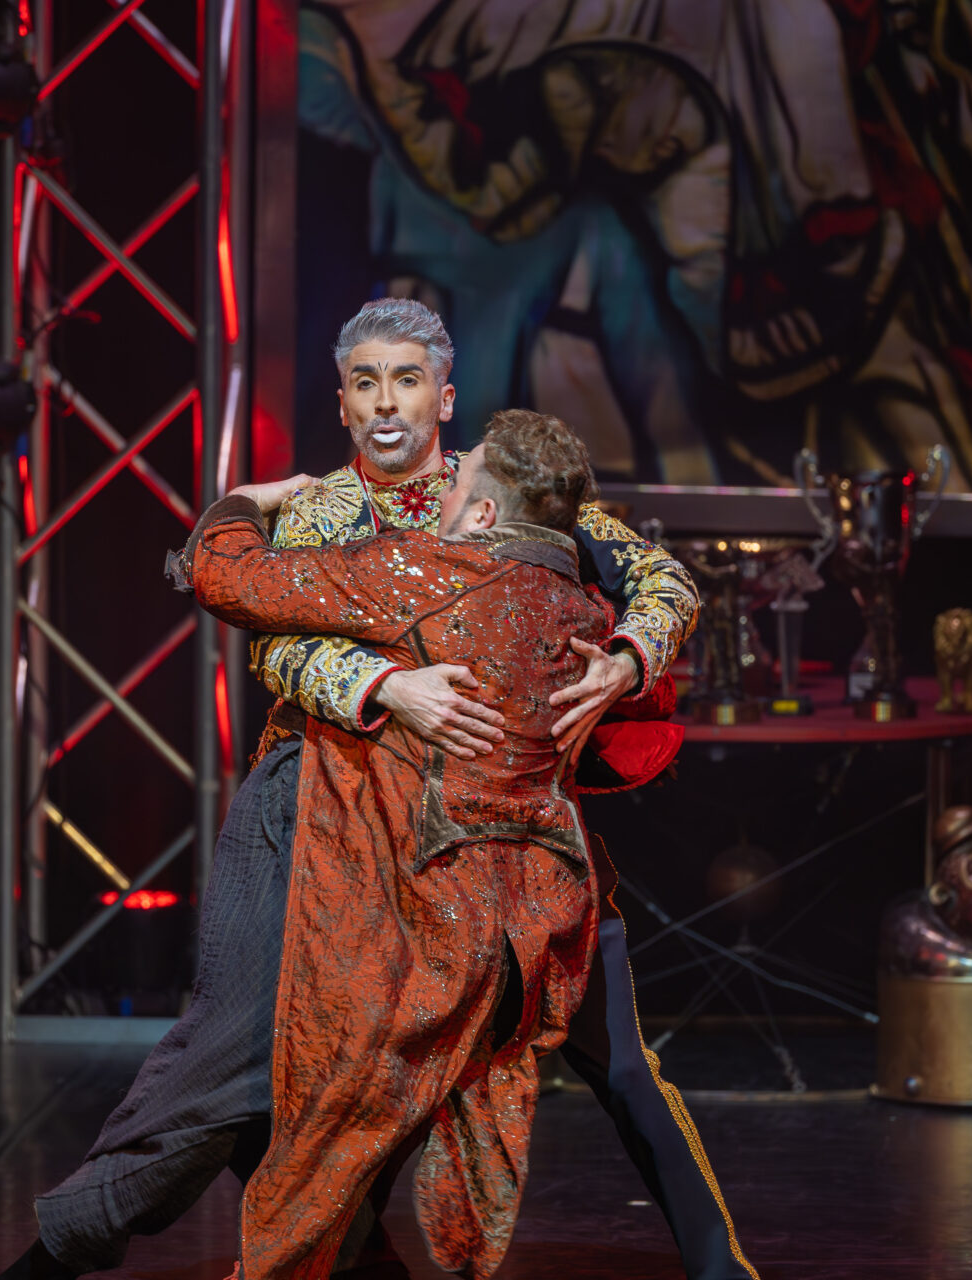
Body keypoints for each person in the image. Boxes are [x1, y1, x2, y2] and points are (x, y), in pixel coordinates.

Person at [7, 299, 754, 1280]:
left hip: (499, 820)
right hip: (336, 798)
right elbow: (273, 643)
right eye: (366, 383)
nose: (387, 402)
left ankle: (718, 1265)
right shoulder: (322, 513)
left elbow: (663, 577)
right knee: (278, 1059)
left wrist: (624, 659)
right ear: (343, 403)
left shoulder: (505, 488)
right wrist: (387, 685)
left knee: (607, 1054)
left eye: (406, 379)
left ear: (444, 396)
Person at [186, 409, 681, 1279]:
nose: (445, 486)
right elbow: (661, 578)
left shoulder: (414, 570)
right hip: (541, 928)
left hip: (429, 918)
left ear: (484, 509)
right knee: (436, 1106)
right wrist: (627, 656)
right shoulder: (583, 609)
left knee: (332, 1111)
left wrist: (243, 502)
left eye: (461, 480)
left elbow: (230, 579)